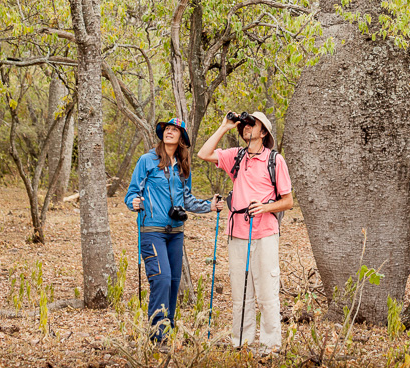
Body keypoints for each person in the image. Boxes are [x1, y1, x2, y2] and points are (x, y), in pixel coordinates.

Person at [198, 110, 293, 354]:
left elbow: (288, 201)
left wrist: (265, 207)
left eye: (252, 123)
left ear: (264, 132)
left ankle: (270, 346)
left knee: (267, 291)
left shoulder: (275, 160)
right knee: (241, 292)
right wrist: (224, 127)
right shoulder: (236, 157)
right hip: (237, 233)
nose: (247, 127)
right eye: (245, 124)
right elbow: (203, 153)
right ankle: (241, 343)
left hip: (265, 233)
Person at [125, 117, 224, 345]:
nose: (169, 132)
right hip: (152, 230)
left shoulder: (182, 166)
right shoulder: (147, 160)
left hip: (176, 233)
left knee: (173, 282)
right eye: (166, 129)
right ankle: (157, 336)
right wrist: (134, 203)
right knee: (161, 279)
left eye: (174, 130)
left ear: (181, 138)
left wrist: (209, 206)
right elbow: (132, 193)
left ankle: (166, 334)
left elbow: (186, 199)